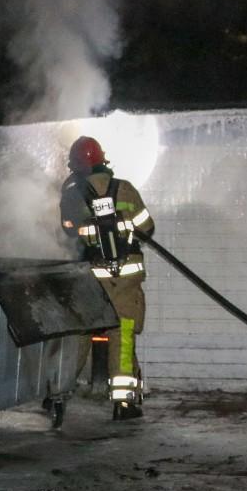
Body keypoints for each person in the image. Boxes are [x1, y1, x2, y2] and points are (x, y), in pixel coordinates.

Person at [60, 136, 156, 419]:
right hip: (125, 279)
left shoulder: (73, 193)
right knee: (122, 335)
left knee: (80, 335)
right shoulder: (124, 189)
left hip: (91, 279)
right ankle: (123, 404)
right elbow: (147, 228)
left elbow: (67, 230)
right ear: (103, 159)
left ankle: (58, 394)